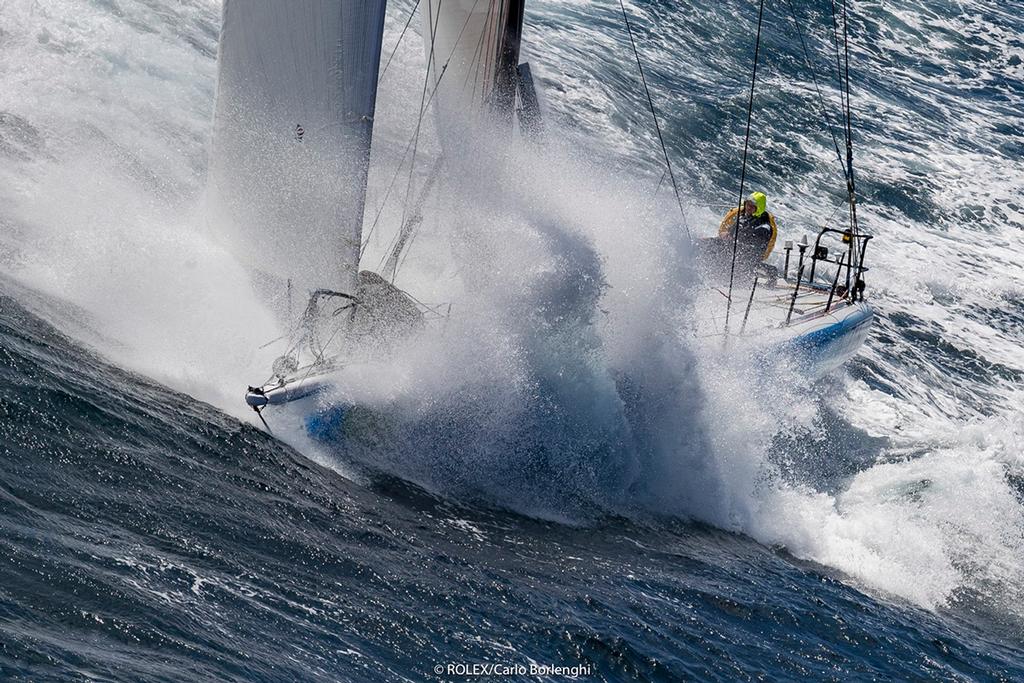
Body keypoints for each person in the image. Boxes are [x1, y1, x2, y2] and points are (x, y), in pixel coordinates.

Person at [717, 191, 778, 264]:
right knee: (702, 244)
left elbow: (753, 250)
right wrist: (726, 234)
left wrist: (731, 241)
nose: (748, 208)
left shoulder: (764, 228)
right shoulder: (744, 217)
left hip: (746, 261)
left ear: (759, 208)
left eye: (752, 206)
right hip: (731, 250)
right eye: (747, 204)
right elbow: (730, 233)